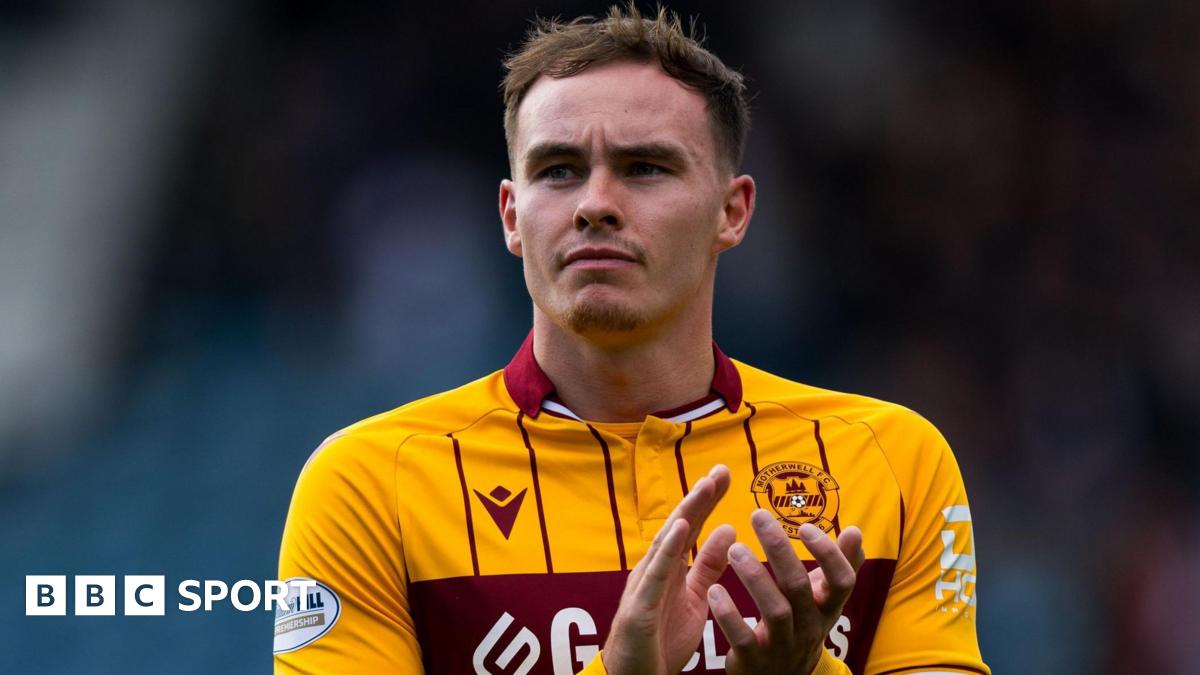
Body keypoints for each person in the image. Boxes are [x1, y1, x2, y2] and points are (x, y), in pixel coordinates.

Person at [275, 5, 988, 674]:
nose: (595, 205)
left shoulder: (893, 462)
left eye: (645, 167)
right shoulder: (369, 486)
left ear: (732, 211)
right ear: (512, 216)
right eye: (558, 171)